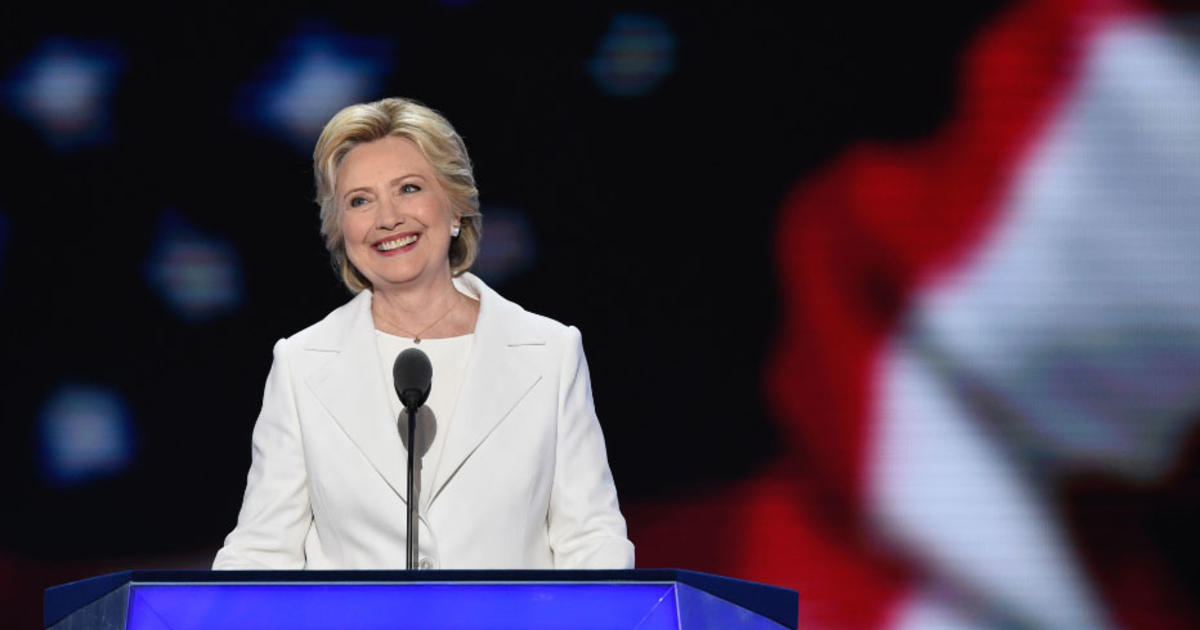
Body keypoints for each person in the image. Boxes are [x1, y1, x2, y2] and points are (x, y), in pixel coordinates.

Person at [213, 97, 634, 570]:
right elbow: (263, 551)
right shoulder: (301, 363)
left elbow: (591, 540)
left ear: (455, 208)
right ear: (340, 229)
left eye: (408, 188)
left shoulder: (551, 353)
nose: (387, 218)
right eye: (360, 200)